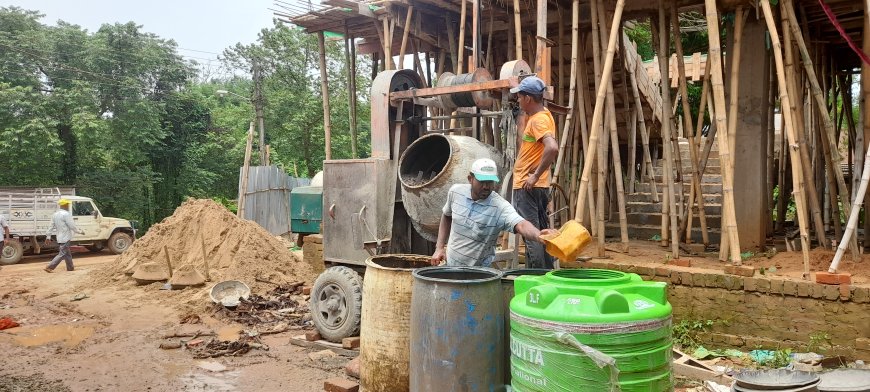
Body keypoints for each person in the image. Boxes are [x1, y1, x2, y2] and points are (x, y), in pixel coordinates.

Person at [430, 158, 556, 267]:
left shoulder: (499, 207)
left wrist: (539, 235)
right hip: (451, 267)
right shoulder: (455, 192)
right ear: (470, 179)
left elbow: (521, 224)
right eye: (482, 181)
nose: (486, 186)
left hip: (480, 275)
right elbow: (447, 215)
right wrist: (440, 247)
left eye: (490, 182)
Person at [511, 76, 559, 269]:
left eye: (520, 97)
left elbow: (552, 148)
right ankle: (547, 276)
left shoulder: (537, 121)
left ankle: (538, 281)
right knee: (542, 234)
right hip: (538, 188)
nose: (518, 101)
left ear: (528, 99)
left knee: (532, 236)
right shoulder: (545, 114)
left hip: (527, 186)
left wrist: (535, 175)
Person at [44, 199, 85, 273]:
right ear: (65, 205)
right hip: (65, 237)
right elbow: (72, 226)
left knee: (67, 254)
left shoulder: (55, 214)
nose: (68, 206)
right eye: (68, 204)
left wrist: (48, 237)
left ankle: (70, 268)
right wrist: (80, 231)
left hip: (59, 237)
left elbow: (51, 226)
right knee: (62, 253)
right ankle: (50, 267)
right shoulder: (66, 214)